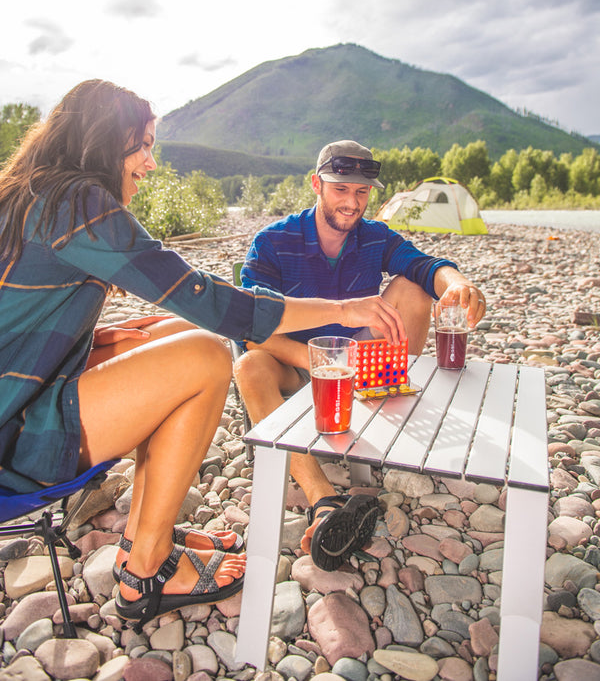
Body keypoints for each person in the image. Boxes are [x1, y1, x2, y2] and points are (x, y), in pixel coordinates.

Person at [0, 90, 406, 628]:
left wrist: (107, 337)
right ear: (102, 140)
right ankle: (144, 574)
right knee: (207, 354)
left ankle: (149, 534)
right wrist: (342, 307)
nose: (149, 160)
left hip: (16, 395)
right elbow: (209, 300)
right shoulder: (78, 204)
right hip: (15, 434)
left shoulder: (33, 195)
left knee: (169, 330)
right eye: (141, 146)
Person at [234, 140, 486, 570]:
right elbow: (249, 328)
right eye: (341, 190)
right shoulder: (272, 242)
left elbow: (426, 265)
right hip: (294, 369)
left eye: (362, 192)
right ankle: (324, 501)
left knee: (412, 285)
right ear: (317, 184)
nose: (352, 203)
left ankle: (384, 421)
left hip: (357, 371)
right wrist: (316, 362)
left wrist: (458, 283)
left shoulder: (375, 237)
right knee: (248, 364)